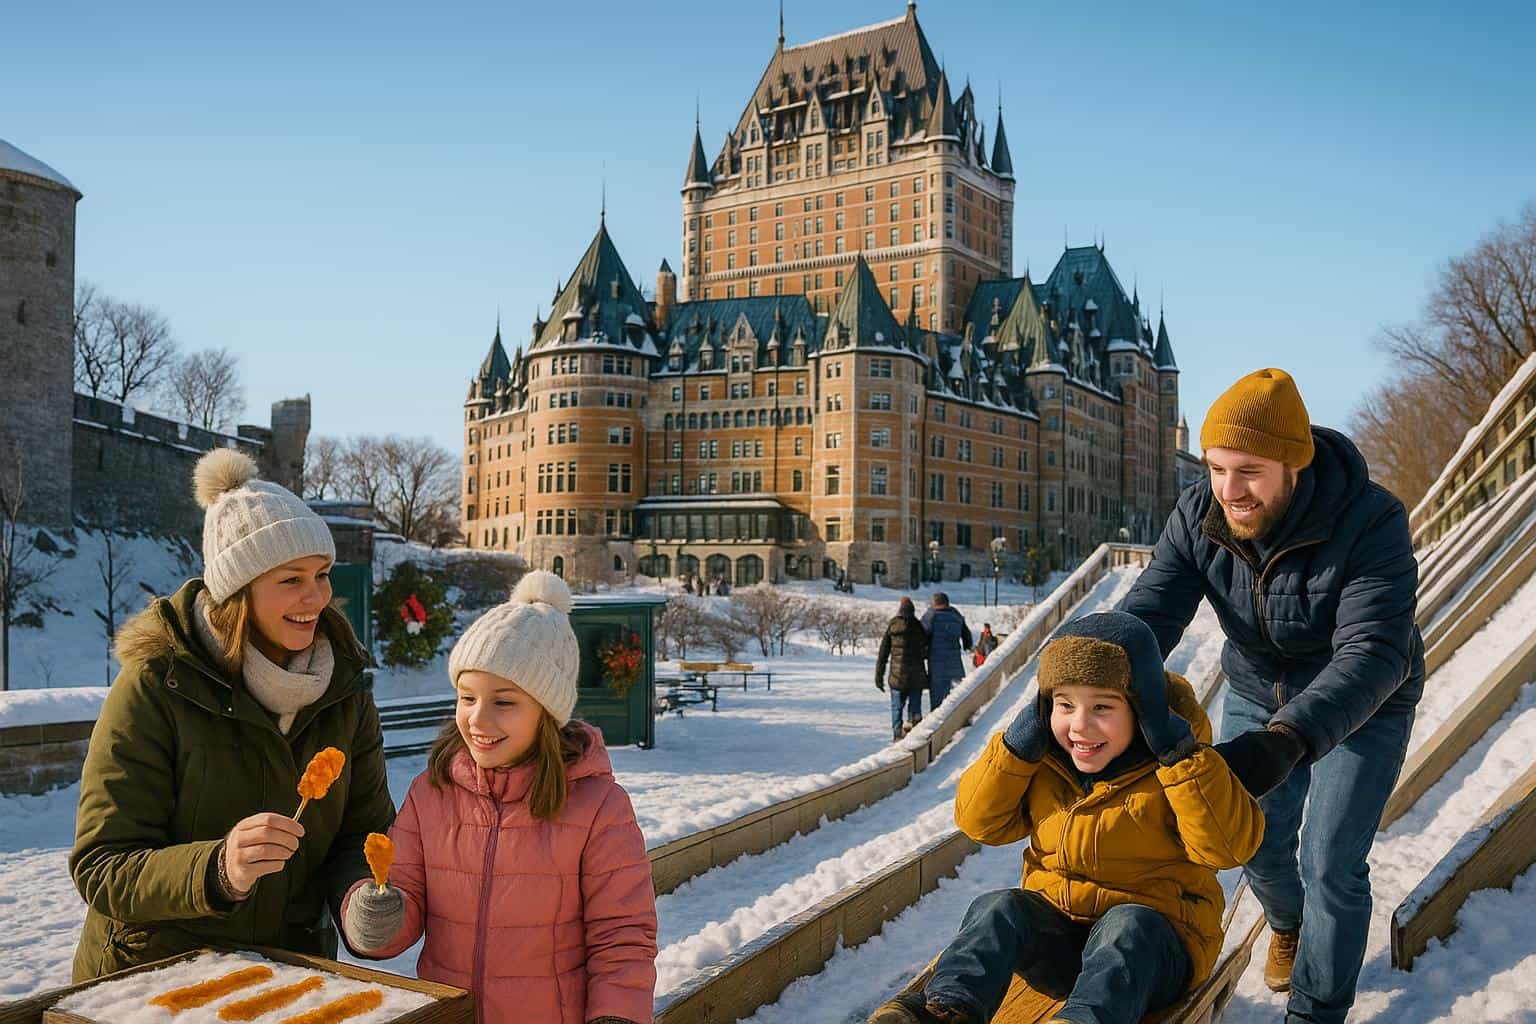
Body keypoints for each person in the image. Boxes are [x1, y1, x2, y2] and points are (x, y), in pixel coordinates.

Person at [1117, 367, 1423, 1024]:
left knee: (1330, 861)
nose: (1230, 489)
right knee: (1251, 837)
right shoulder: (1199, 511)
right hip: (1258, 687)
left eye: (1249, 471)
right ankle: (1288, 923)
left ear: (1293, 463)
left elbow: (1374, 651)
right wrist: (1093, 667)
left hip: (1365, 700)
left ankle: (1315, 1012)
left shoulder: (1372, 521)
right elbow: (1152, 610)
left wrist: (1289, 738)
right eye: (1217, 467)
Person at [69, 449, 394, 980]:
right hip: (155, 980)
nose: (316, 597)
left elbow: (364, 834)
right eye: (291, 580)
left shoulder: (345, 692)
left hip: (286, 978)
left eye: (323, 574)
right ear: (239, 591)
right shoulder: (157, 684)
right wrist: (217, 869)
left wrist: (361, 899)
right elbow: (103, 866)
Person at [871, 612, 1264, 1024]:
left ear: (1144, 708)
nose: (1079, 725)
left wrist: (1179, 757)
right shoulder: (1045, 760)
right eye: (1064, 705)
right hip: (1063, 941)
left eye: (1102, 707)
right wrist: (1016, 748)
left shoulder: (1183, 766)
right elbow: (979, 822)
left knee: (1126, 926)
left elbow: (1228, 848)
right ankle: (948, 1010)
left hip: (1155, 950)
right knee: (998, 907)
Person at [341, 571, 657, 1024]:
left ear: (546, 712)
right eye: (467, 697)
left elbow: (622, 937)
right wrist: (375, 915)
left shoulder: (599, 808)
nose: (477, 719)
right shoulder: (430, 793)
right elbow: (404, 896)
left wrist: (615, 1017)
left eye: (504, 702)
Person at [875, 596, 930, 741]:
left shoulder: (893, 626)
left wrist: (878, 676)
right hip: (916, 677)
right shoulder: (918, 626)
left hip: (897, 677)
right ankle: (914, 733)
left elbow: (883, 654)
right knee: (915, 708)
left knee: (896, 708)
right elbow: (926, 649)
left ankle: (897, 734)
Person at [921, 592, 972, 711]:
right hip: (954, 661)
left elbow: (921, 635)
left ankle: (938, 721)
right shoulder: (956, 615)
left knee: (937, 697)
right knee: (956, 694)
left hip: (936, 661)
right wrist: (967, 646)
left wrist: (922, 652)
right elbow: (967, 637)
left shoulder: (930, 616)